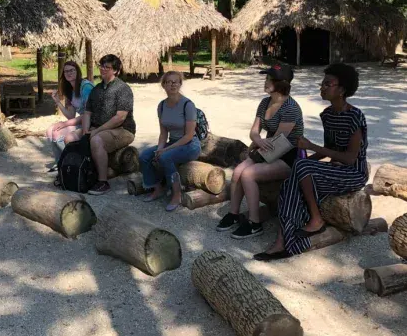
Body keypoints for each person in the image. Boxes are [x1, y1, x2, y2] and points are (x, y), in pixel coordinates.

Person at [255, 64, 368, 261]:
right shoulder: (327, 115)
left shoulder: (354, 116)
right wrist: (306, 162)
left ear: (342, 90)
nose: (322, 88)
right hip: (335, 170)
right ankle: (285, 242)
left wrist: (310, 149)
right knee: (291, 180)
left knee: (301, 166)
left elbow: (350, 158)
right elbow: (330, 149)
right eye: (322, 84)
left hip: (354, 173)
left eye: (328, 84)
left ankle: (316, 219)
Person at [216, 64, 303, 239]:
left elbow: (279, 143)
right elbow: (254, 132)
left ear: (281, 83)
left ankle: (255, 223)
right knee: (237, 172)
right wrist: (257, 141)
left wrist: (256, 148)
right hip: (267, 149)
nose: (265, 81)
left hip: (288, 156)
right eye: (266, 78)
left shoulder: (291, 108)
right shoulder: (265, 103)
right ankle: (234, 214)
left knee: (247, 174)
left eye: (269, 79)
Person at [138, 71, 202, 211]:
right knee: (144, 156)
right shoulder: (161, 106)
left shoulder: (188, 105)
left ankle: (177, 193)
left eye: (175, 82)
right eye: (169, 82)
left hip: (190, 145)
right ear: (164, 85)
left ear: (180, 84)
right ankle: (157, 187)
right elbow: (163, 133)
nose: (172, 84)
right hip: (172, 143)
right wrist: (159, 148)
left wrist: (165, 150)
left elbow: (189, 136)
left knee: (165, 157)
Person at [82, 54, 136, 195]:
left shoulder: (123, 89)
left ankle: (102, 182)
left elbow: (120, 117)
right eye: (102, 66)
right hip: (98, 127)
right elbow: (87, 112)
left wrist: (96, 131)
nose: (103, 69)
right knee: (71, 137)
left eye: (107, 67)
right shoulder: (97, 89)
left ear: (116, 71)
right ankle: (75, 172)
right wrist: (85, 130)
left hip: (123, 129)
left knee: (97, 139)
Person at [46, 61, 94, 170]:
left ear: (77, 71)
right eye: (66, 71)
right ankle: (60, 163)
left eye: (72, 70)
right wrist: (58, 102)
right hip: (81, 121)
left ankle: (69, 162)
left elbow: (89, 114)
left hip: (91, 122)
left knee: (65, 135)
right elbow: (71, 116)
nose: (69, 73)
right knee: (50, 131)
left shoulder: (86, 87)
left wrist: (65, 124)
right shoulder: (70, 90)